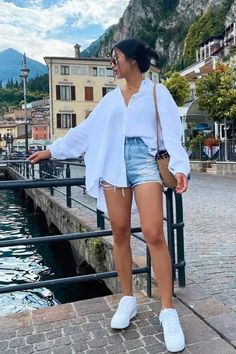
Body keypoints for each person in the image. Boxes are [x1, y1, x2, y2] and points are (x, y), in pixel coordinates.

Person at [29, 38, 190, 353]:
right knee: (119, 233)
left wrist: (180, 166)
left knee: (155, 234)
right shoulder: (111, 100)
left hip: (145, 163)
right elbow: (85, 132)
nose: (111, 64)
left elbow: (172, 132)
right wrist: (52, 150)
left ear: (131, 59)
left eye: (115, 58)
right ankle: (127, 299)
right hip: (114, 164)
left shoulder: (158, 93)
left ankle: (168, 310)